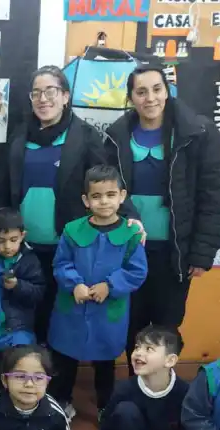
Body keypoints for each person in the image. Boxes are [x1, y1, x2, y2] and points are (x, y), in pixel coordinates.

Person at [0, 65, 141, 341]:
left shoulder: (84, 136)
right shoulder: (19, 136)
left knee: (58, 318)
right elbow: (3, 187)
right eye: (36, 93)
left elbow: (107, 182)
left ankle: (53, 379)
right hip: (21, 249)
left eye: (50, 91)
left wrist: (132, 217)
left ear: (65, 96)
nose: (43, 99)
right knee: (21, 317)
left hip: (67, 248)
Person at [104, 65, 220, 373]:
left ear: (168, 91)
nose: (150, 98)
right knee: (131, 325)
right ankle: (136, 388)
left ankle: (159, 388)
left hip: (175, 253)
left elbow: (212, 197)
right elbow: (107, 189)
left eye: (157, 89)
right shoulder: (116, 135)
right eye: (141, 91)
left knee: (166, 326)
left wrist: (202, 252)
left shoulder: (198, 133)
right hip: (128, 250)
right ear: (131, 97)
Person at [48, 165, 147, 416]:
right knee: (65, 360)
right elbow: (61, 263)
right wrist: (75, 284)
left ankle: (105, 406)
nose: (104, 202)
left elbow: (137, 271)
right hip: (73, 308)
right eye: (96, 196)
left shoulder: (131, 234)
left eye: (111, 195)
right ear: (86, 200)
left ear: (122, 196)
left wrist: (110, 286)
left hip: (108, 312)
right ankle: (62, 403)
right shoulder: (72, 230)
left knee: (105, 363)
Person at [0, 208, 45, 405]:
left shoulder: (29, 260)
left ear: (23, 235)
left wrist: (18, 286)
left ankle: (17, 407)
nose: (7, 247)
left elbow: (38, 293)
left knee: (22, 367)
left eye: (13, 239)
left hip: (17, 328)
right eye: (0, 241)